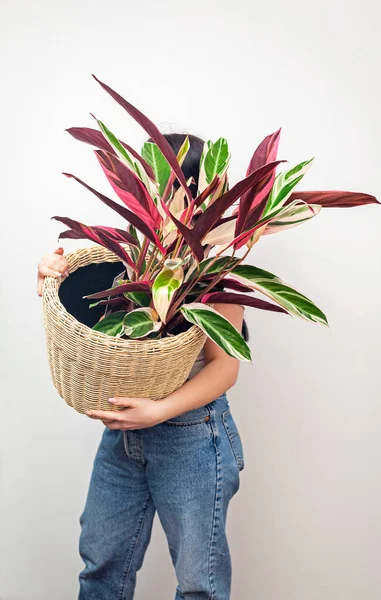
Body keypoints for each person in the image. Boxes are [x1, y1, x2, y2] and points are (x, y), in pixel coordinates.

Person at [37, 133, 248, 600]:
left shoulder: (217, 270)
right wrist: (50, 276)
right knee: (101, 567)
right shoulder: (134, 255)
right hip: (123, 431)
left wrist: (158, 411)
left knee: (200, 586)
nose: (151, 196)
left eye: (165, 185)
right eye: (145, 182)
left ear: (197, 197)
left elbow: (225, 367)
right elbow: (91, 314)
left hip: (194, 435)